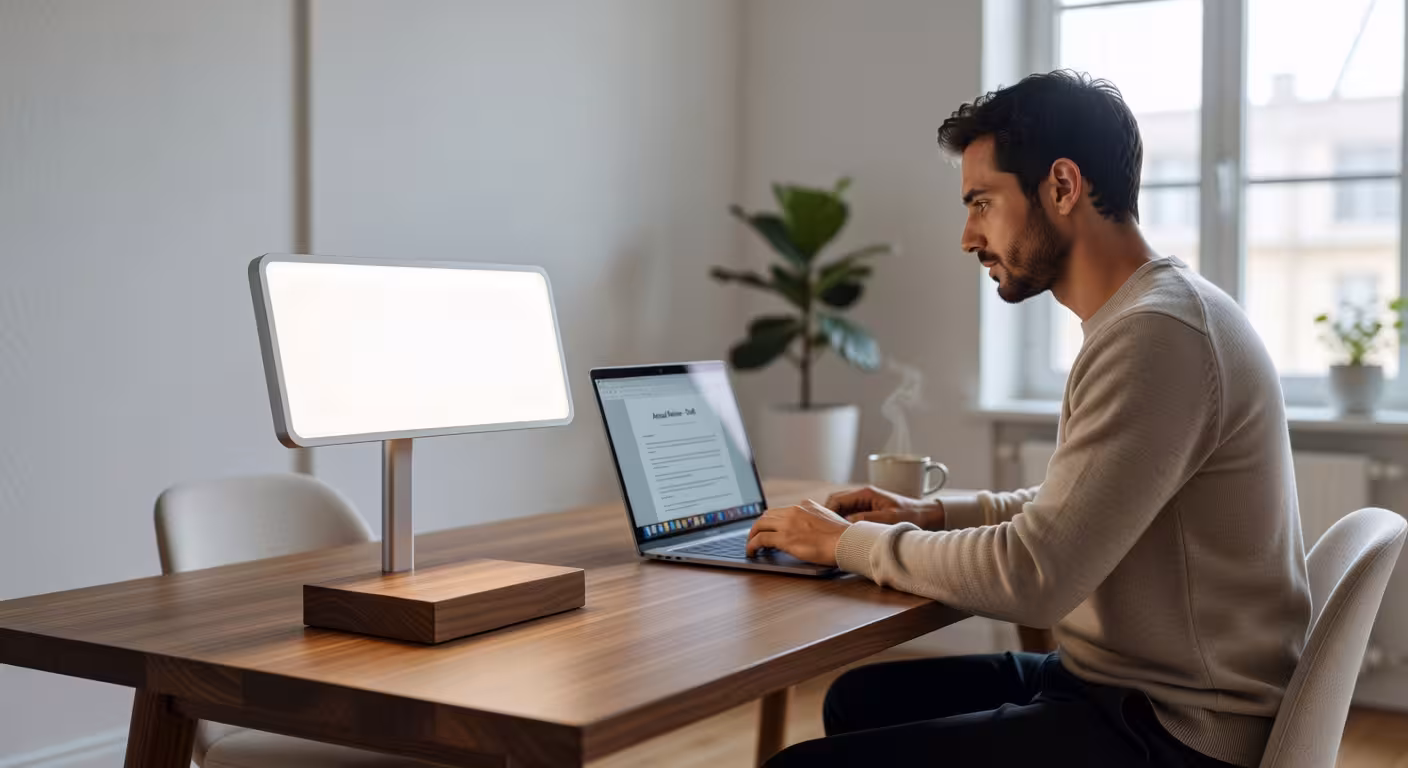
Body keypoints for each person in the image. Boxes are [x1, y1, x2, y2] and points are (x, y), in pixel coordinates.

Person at [746, 70, 1311, 767]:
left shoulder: (1157, 335)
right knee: (857, 702)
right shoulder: (1148, 316)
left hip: (1174, 729)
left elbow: (1037, 574)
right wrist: (929, 514)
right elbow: (1076, 510)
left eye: (982, 202)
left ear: (1063, 187)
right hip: (1125, 685)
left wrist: (843, 545)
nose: (966, 236)